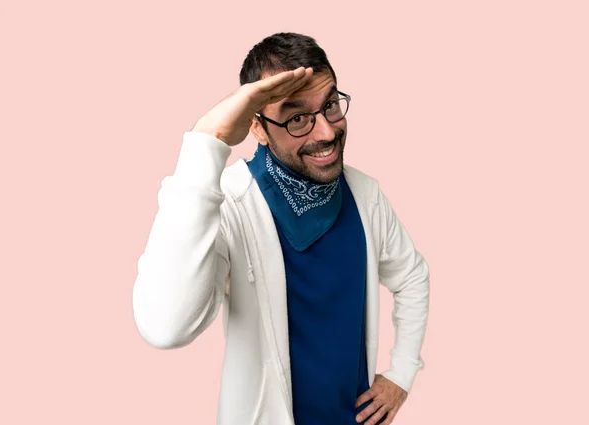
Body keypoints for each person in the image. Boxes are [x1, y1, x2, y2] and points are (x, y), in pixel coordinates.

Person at [132, 32, 430, 425]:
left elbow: (412, 276)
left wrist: (402, 372)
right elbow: (166, 326)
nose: (325, 133)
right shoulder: (229, 205)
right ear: (257, 127)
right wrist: (208, 141)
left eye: (330, 107)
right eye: (296, 119)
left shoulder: (365, 195)